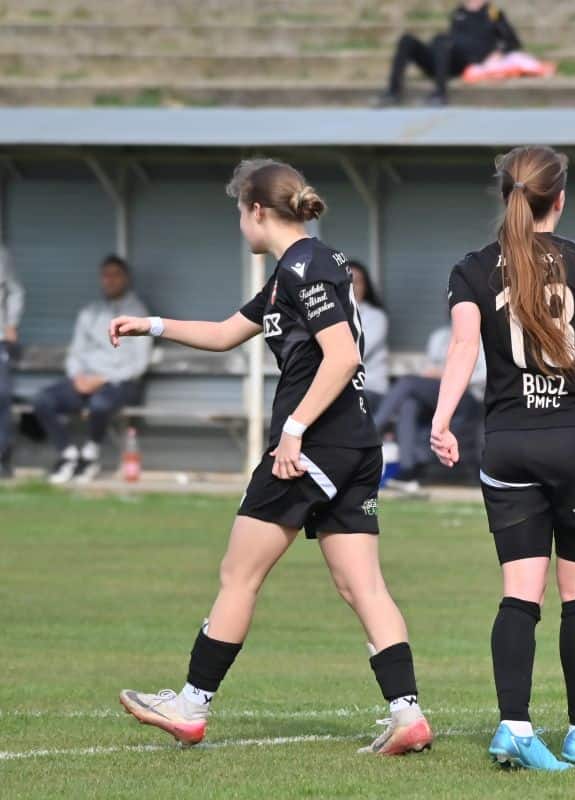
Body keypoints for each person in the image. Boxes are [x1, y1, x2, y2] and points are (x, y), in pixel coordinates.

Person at [109, 159, 433, 756]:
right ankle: (407, 714)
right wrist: (150, 325)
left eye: (239, 211)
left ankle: (190, 706)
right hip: (352, 445)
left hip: (314, 446)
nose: (239, 223)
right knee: (361, 584)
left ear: (257, 210)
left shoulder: (305, 266)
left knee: (240, 574)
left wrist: (294, 430)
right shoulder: (295, 270)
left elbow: (342, 357)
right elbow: (224, 333)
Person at [431, 145, 575, 770]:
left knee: (519, 594)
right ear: (560, 198)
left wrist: (441, 418)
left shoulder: (472, 268)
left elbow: (461, 348)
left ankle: (514, 726)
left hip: (510, 445)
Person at [33, 255, 151, 484]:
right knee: (42, 399)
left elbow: (139, 363)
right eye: (105, 275)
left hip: (119, 383)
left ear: (126, 278)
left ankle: (90, 455)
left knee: (100, 403)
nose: (110, 280)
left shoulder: (139, 313)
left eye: (115, 275)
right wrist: (77, 377)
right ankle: (68, 455)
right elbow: (76, 352)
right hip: (85, 381)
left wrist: (103, 378)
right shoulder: (90, 312)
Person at [373, 321, 484, 485]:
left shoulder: (481, 337)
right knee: (409, 404)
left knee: (407, 383)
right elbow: (427, 367)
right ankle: (408, 468)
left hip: (468, 395)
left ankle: (373, 430)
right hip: (438, 391)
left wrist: (447, 375)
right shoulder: (440, 336)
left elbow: (483, 376)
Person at [377, 1, 522, 106]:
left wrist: (498, 52)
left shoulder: (492, 12)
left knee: (443, 41)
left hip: (463, 62)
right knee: (407, 40)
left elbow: (513, 41)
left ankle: (440, 94)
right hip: (442, 57)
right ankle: (393, 92)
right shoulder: (459, 12)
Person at [347, 260, 389, 415]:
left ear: (366, 287)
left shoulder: (376, 317)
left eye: (357, 282)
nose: (352, 286)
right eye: (347, 282)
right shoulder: (329, 315)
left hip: (369, 388)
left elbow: (355, 354)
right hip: (337, 389)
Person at [0, 245, 24, 479]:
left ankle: (2, 459)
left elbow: (15, 291)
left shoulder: (2, 255)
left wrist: (11, 324)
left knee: (2, 395)